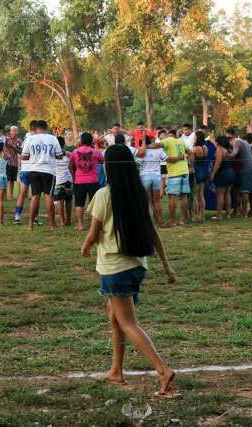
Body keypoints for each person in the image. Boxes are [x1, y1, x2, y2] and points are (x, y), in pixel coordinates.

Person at [80, 144, 176, 395]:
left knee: (128, 323)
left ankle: (163, 370)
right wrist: (167, 268)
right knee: (115, 318)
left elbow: (93, 232)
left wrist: (85, 247)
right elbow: (154, 235)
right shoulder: (138, 194)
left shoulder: (104, 195)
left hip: (115, 268)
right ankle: (116, 371)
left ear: (108, 168)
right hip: (136, 266)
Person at [20, 120, 63, 230]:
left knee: (35, 196)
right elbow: (59, 156)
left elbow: (24, 156)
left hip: (34, 169)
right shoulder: (53, 138)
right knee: (49, 197)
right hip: (49, 171)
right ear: (46, 128)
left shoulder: (30, 138)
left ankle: (30, 225)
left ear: (36, 128)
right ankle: (53, 225)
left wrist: (34, 157)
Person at [70, 132, 104, 230]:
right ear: (91, 141)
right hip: (93, 180)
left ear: (81, 141)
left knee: (79, 203)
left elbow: (70, 166)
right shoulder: (96, 152)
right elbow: (102, 161)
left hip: (79, 181)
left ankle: (80, 225)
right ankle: (94, 224)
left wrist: (74, 175)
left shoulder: (75, 152)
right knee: (94, 203)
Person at [136, 133, 169, 226]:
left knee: (146, 201)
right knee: (156, 201)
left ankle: (148, 223)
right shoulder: (159, 150)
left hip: (144, 177)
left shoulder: (141, 152)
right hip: (156, 177)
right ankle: (160, 221)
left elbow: (138, 165)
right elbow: (166, 159)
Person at [161, 129, 191, 226]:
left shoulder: (168, 140)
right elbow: (191, 153)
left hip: (175, 173)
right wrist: (191, 166)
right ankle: (183, 219)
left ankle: (172, 220)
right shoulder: (181, 141)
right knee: (184, 196)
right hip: (185, 171)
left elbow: (157, 146)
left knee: (172, 197)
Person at [230, 134, 252, 218]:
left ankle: (244, 213)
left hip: (247, 169)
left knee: (245, 191)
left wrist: (226, 155)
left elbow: (234, 153)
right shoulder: (246, 143)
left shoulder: (237, 142)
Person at [210, 136, 235, 221]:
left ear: (219, 142)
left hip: (222, 173)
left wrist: (212, 174)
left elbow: (218, 164)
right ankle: (228, 214)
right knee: (228, 193)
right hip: (230, 172)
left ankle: (219, 215)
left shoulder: (220, 149)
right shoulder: (229, 150)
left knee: (220, 195)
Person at [54, 136, 73, 227]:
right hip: (68, 179)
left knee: (60, 201)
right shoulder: (68, 154)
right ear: (64, 144)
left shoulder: (52, 155)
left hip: (58, 181)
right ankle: (68, 220)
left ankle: (62, 221)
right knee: (68, 200)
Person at [191, 131, 209, 221]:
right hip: (204, 171)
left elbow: (192, 162)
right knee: (201, 195)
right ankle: (202, 215)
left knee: (195, 195)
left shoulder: (194, 149)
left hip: (197, 171)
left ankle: (195, 215)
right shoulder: (205, 147)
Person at [5, 126, 23, 201]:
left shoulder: (19, 140)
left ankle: (11, 195)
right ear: (10, 131)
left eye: (15, 131)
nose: (14, 132)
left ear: (17, 132)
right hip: (6, 162)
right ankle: (5, 196)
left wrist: (13, 147)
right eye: (12, 131)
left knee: (12, 180)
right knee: (6, 179)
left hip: (15, 162)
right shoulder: (6, 139)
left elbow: (21, 151)